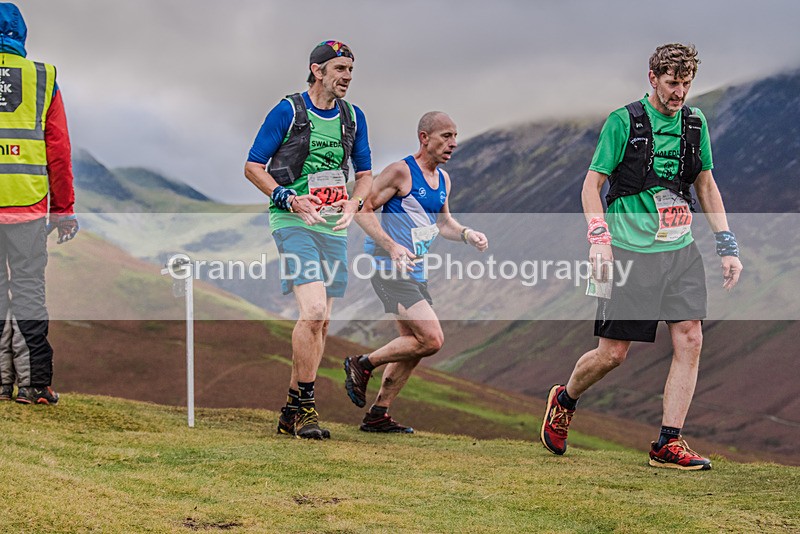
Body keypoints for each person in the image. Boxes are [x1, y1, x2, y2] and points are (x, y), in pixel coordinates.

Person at [540, 43, 743, 470]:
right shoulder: (623, 121)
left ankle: (668, 443)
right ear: (652, 77)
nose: (679, 93)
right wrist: (598, 239)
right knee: (613, 353)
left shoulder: (694, 122)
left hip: (680, 249)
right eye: (672, 84)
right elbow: (591, 185)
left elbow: (705, 183)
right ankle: (565, 398)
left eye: (686, 84)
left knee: (690, 336)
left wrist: (726, 244)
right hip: (629, 250)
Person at [244, 40, 373, 440]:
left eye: (350, 70)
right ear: (317, 71)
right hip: (293, 221)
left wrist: (354, 204)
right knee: (313, 311)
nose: (347, 77)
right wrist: (287, 197)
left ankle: (290, 408)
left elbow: (365, 173)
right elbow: (253, 166)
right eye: (340, 69)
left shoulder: (354, 118)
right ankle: (307, 408)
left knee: (322, 322)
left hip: (333, 225)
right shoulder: (289, 110)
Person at [343, 111, 488, 433]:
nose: (453, 143)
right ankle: (361, 363)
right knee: (432, 339)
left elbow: (442, 224)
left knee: (412, 344)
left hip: (415, 271)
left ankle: (378, 414)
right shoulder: (400, 172)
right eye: (446, 136)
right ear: (424, 138)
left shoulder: (443, 179)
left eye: (455, 136)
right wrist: (391, 246)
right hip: (388, 267)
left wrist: (467, 234)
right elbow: (361, 210)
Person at [0, 3, 78, 406]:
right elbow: (58, 152)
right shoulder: (42, 78)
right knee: (28, 291)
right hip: (27, 206)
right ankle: (33, 387)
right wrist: (63, 210)